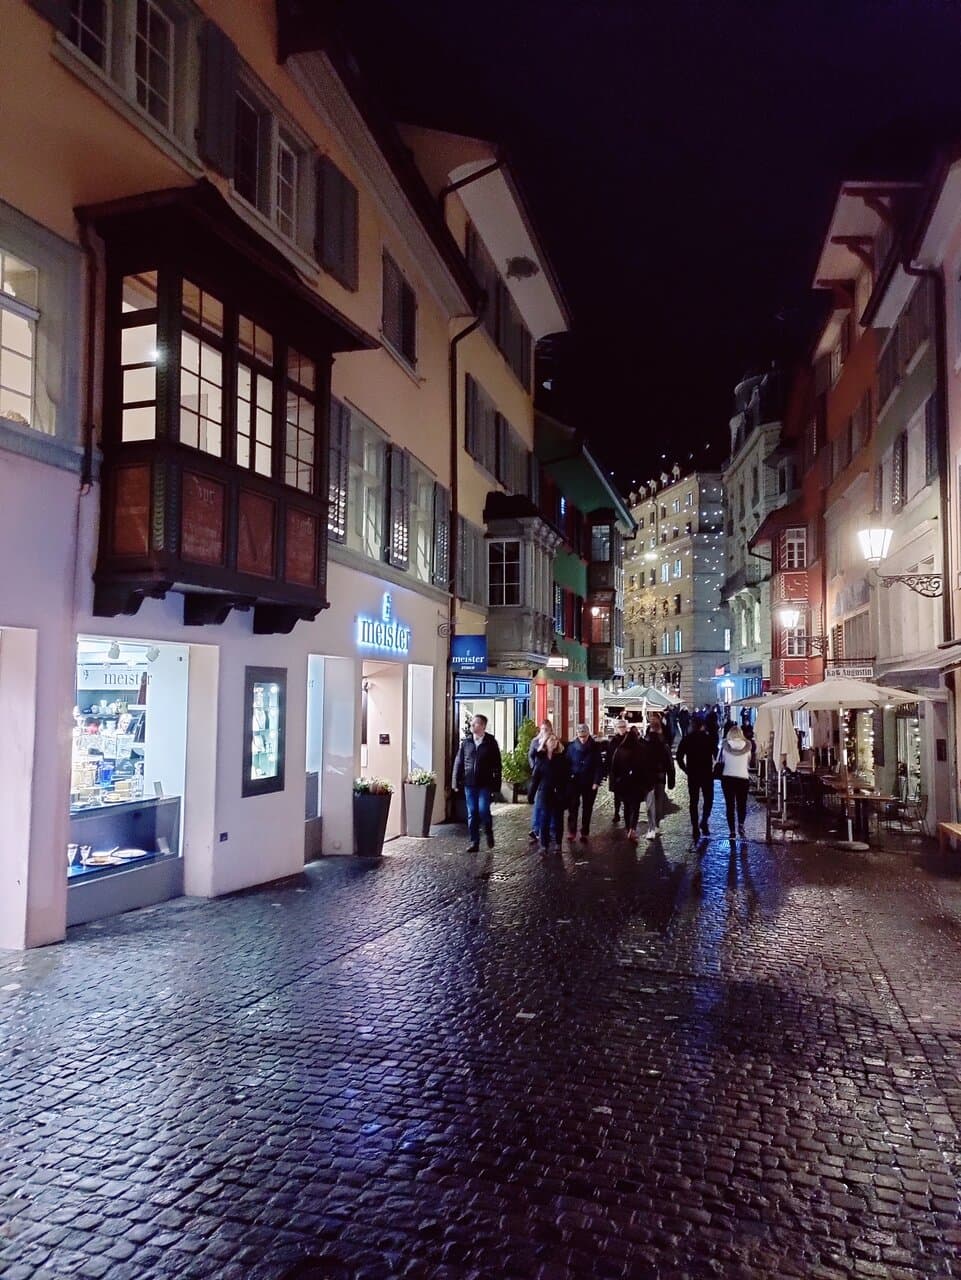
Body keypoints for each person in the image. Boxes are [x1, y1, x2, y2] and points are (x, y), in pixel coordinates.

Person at [451, 713, 502, 852]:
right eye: (472, 723)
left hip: (485, 784)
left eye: (475, 723)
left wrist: (496, 786)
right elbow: (459, 762)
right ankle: (474, 841)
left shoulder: (490, 742)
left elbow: (497, 765)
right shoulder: (466, 743)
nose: (472, 725)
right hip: (470, 783)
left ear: (483, 726)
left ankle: (488, 831)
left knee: (483, 810)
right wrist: (455, 781)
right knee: (472, 812)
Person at [675, 713, 716, 841]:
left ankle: (695, 828)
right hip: (707, 774)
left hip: (693, 774)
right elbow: (716, 755)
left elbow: (679, 757)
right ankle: (704, 820)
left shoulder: (687, 739)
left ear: (692, 726)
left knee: (694, 801)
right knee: (708, 799)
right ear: (702, 726)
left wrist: (685, 769)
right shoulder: (709, 739)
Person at [530, 733, 570, 852]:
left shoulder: (562, 759)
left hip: (559, 793)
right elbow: (535, 778)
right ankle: (544, 844)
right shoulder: (541, 759)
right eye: (550, 740)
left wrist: (567, 794)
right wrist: (531, 794)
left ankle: (558, 843)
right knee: (544, 818)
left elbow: (567, 778)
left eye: (555, 741)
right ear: (546, 743)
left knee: (558, 819)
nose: (553, 742)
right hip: (545, 792)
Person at [566, 723, 604, 842]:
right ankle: (572, 831)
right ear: (577, 735)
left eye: (585, 736)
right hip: (574, 781)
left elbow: (599, 766)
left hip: (589, 781)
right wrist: (568, 778)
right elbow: (567, 764)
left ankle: (585, 831)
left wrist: (596, 781)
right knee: (573, 806)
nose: (583, 739)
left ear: (588, 735)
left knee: (587, 807)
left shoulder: (595, 747)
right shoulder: (571, 747)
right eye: (581, 736)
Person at [609, 725, 648, 841]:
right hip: (637, 784)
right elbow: (645, 768)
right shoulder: (641, 749)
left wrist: (616, 780)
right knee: (635, 808)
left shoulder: (620, 750)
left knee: (626, 806)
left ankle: (627, 828)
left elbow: (614, 767)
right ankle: (633, 828)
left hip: (623, 783)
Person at [641, 718, 676, 840]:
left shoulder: (644, 743)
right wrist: (671, 779)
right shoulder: (664, 744)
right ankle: (657, 824)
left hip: (647, 776)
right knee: (659, 800)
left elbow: (640, 761)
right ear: (660, 729)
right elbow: (670, 763)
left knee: (650, 802)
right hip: (661, 774)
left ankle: (651, 827)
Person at [719, 724, 752, 838]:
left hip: (727, 777)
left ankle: (732, 830)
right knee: (742, 804)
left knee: (730, 805)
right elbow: (749, 761)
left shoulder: (725, 746)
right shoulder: (747, 746)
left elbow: (721, 760)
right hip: (743, 778)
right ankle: (741, 825)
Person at [526, 719, 553, 843]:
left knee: (551, 805)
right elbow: (531, 755)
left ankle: (551, 829)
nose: (544, 732)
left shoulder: (553, 741)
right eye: (542, 729)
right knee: (538, 803)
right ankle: (536, 829)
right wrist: (533, 767)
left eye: (546, 729)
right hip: (539, 775)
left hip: (550, 776)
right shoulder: (535, 742)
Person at [605, 719, 630, 823]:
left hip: (627, 772)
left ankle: (627, 814)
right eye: (620, 727)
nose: (622, 729)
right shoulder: (613, 741)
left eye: (623, 727)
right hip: (615, 772)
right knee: (616, 795)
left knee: (627, 794)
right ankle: (616, 813)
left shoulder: (630, 740)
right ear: (616, 728)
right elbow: (609, 757)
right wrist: (608, 770)